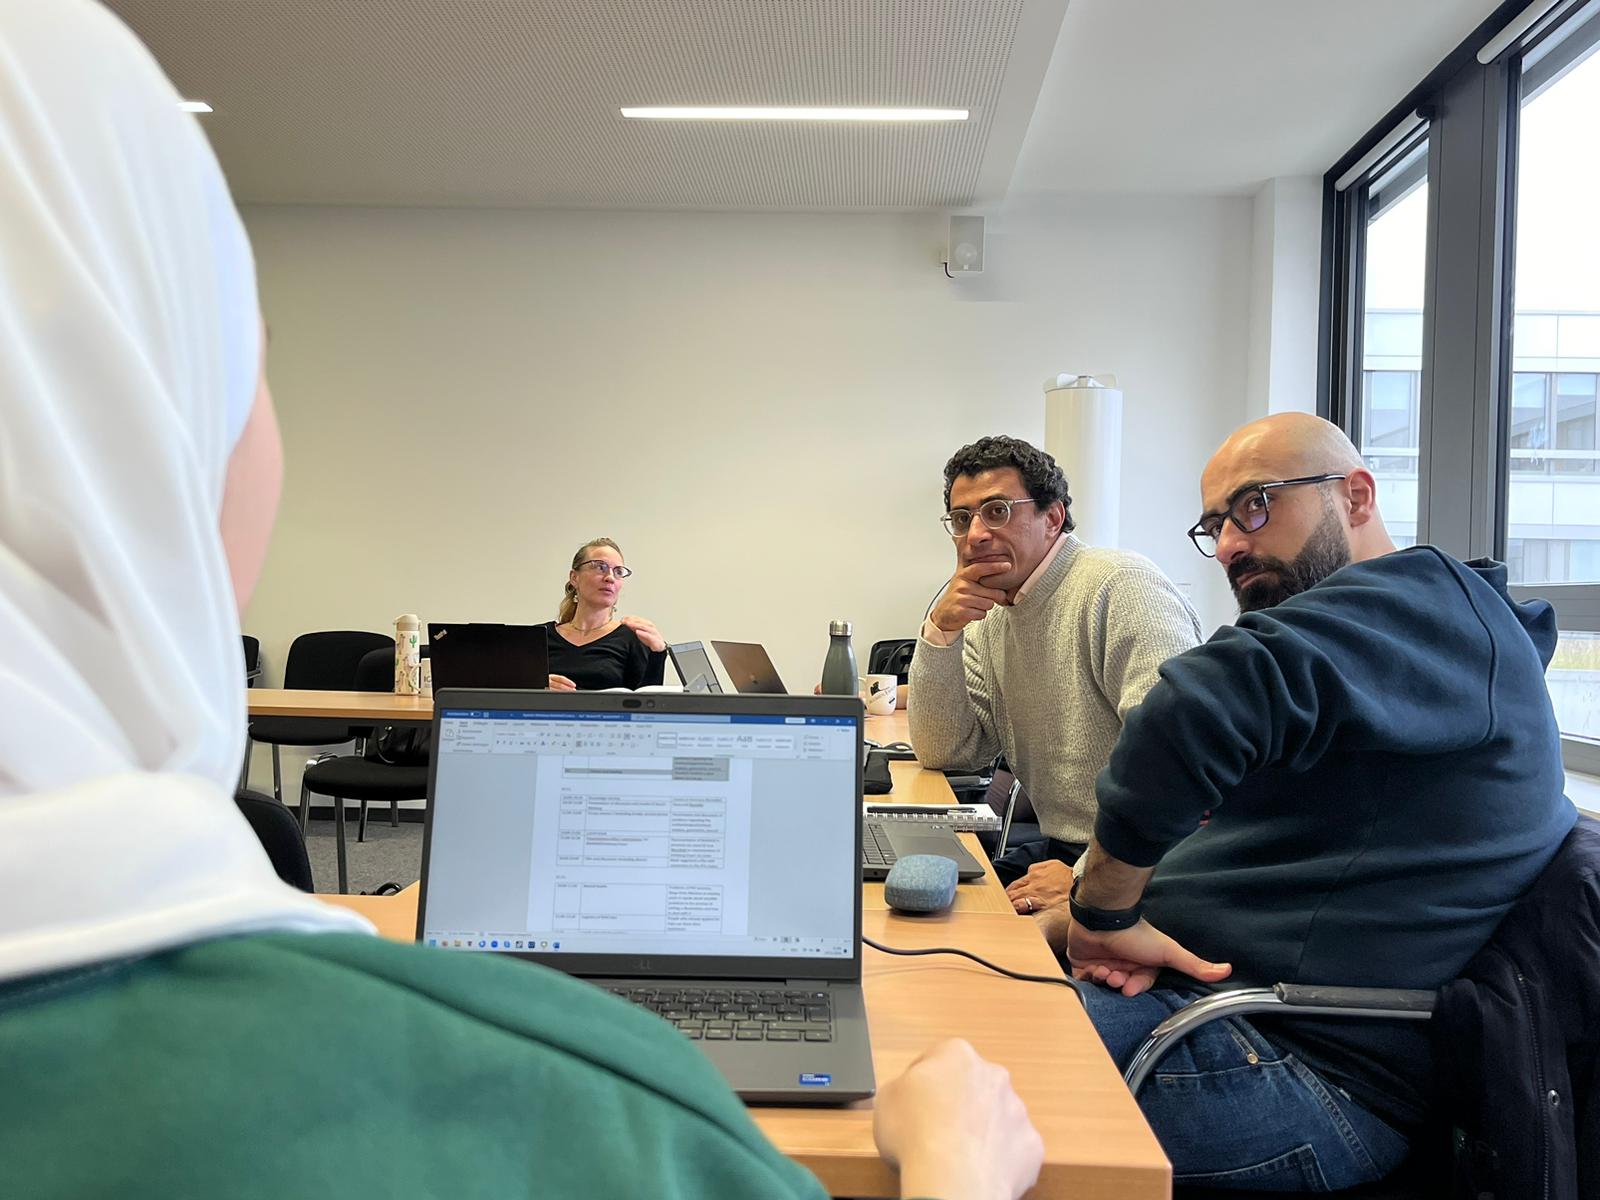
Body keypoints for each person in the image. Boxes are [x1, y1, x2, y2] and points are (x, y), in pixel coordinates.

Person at [0, 6, 1045, 1198]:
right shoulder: (572, 1110)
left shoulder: (640, 653)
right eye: (253, 367)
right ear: (151, 431)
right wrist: (957, 1173)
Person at [1042, 412, 1578, 1190]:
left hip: (1296, 1068)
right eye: (1215, 523)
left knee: (929, 1086)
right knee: (914, 1016)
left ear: (1356, 496)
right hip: (1217, 1010)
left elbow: (1193, 710)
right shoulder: (1397, 635)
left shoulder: (1430, 606)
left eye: (1255, 504)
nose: (1228, 543)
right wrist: (1099, 908)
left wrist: (1100, 917)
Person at [908, 435, 1201, 896]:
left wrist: (1090, 877)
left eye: (997, 510)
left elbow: (1182, 765)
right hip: (1064, 849)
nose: (977, 534)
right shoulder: (989, 619)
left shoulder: (1121, 587)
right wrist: (939, 632)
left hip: (1145, 865)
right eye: (962, 519)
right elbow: (947, 751)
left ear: (1053, 517)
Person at [541, 537, 669, 690]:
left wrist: (658, 653)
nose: (610, 578)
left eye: (618, 572)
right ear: (574, 578)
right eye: (600, 567)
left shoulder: (633, 638)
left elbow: (647, 705)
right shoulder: (539, 637)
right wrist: (535, 686)